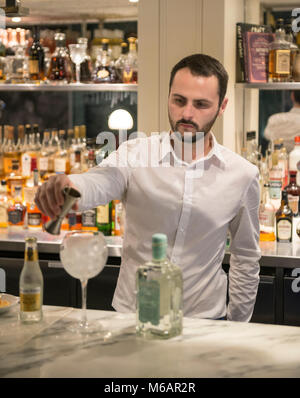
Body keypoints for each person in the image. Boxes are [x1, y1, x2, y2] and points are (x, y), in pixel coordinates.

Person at [35, 53, 261, 322]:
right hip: (134, 318)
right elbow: (100, 181)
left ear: (222, 106)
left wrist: (237, 328)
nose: (187, 113)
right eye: (179, 100)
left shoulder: (242, 175)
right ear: (168, 96)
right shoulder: (134, 154)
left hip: (205, 322)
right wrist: (69, 186)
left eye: (201, 104)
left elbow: (245, 257)